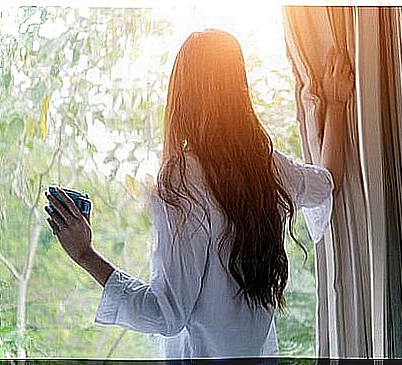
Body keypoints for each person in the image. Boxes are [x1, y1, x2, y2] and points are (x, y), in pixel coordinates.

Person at [44, 29, 354, 359]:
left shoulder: (183, 180)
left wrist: (84, 254)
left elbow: (166, 314)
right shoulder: (268, 167)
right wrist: (335, 103)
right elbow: (328, 181)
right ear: (240, 91)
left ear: (181, 95)